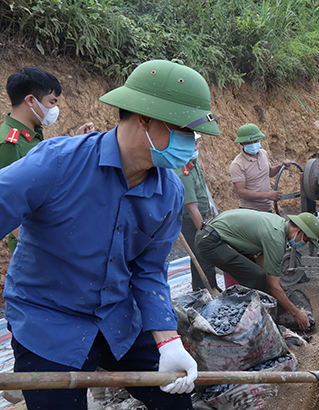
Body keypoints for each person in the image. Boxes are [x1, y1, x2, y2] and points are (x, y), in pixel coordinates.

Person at [0, 59, 222, 409]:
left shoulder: (169, 192)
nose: (192, 143)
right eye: (184, 131)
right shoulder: (56, 164)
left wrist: (168, 342)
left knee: (176, 401)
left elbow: (149, 270)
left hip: (117, 317)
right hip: (49, 321)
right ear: (145, 118)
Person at [0, 67, 94, 254]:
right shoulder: (9, 143)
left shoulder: (30, 136)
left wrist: (75, 141)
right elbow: (8, 203)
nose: (54, 109)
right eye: (51, 102)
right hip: (31, 244)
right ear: (31, 100)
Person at [195, 210, 319, 330]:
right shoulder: (276, 238)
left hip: (213, 234)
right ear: (299, 231)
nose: (303, 244)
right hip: (209, 241)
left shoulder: (278, 224)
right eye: (305, 240)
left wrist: (272, 288)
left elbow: (259, 259)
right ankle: (263, 321)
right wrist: (296, 313)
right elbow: (272, 285)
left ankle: (256, 311)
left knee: (260, 277)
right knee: (256, 276)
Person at [174, 132, 219, 292]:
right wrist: (204, 231)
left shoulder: (193, 163)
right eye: (193, 144)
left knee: (198, 255)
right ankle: (211, 288)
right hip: (191, 221)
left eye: (197, 144)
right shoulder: (182, 172)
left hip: (201, 216)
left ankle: (198, 288)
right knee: (204, 253)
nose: (197, 147)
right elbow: (192, 208)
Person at [230, 123, 292, 212]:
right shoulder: (237, 164)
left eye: (255, 141)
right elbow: (242, 192)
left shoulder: (263, 153)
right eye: (249, 143)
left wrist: (280, 166)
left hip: (266, 208)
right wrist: (267, 195)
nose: (253, 144)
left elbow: (269, 172)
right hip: (250, 211)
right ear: (241, 144)